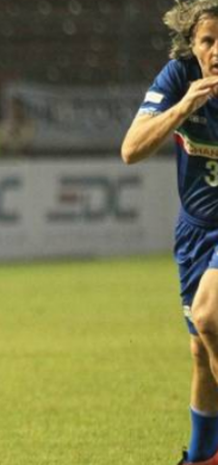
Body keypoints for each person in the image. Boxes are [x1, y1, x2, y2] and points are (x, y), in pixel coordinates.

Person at [121, 2, 218, 464]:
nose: (217, 51)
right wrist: (184, 107)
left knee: (210, 315)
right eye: (208, 41)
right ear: (193, 46)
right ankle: (202, 458)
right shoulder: (178, 77)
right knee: (200, 349)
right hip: (197, 231)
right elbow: (131, 150)